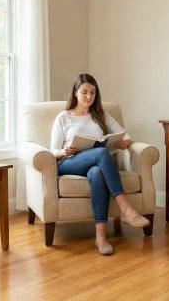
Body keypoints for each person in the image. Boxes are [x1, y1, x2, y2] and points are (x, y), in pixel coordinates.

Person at [50, 73, 151, 256]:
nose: (89, 97)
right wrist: (64, 151)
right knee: (101, 153)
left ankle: (101, 238)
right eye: (84, 92)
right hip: (69, 162)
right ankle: (126, 209)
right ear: (75, 92)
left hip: (93, 164)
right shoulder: (63, 117)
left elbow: (125, 135)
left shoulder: (100, 115)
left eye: (93, 93)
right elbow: (52, 150)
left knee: (97, 173)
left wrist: (125, 142)